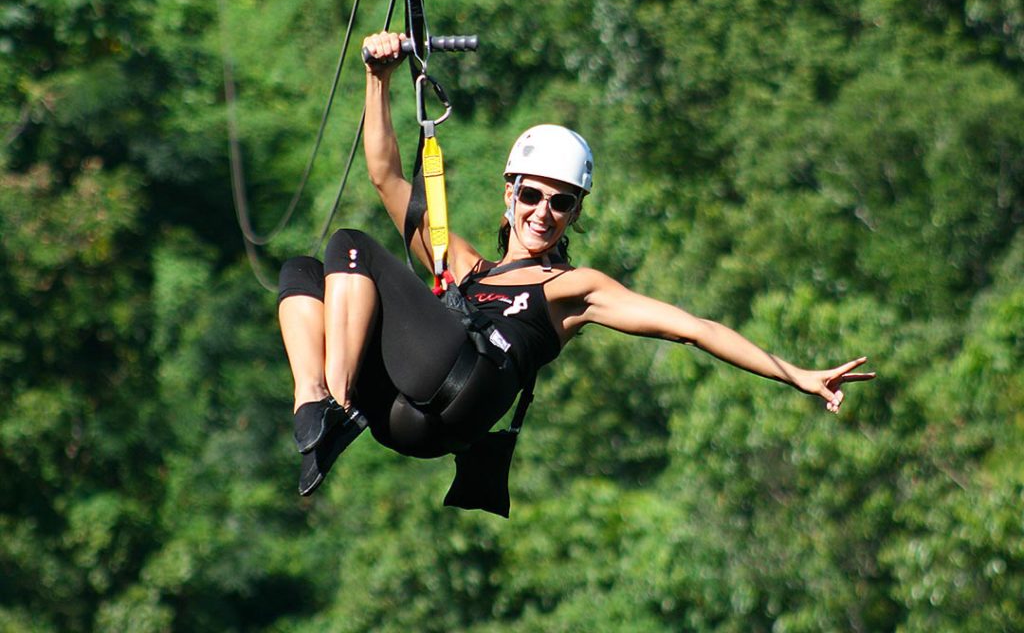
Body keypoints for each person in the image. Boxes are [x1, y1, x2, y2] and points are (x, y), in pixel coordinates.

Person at [276, 31, 875, 498]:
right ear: (509, 195)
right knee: (305, 272)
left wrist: (795, 373)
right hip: (402, 422)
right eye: (533, 196)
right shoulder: (461, 264)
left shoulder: (574, 288)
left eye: (561, 203)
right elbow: (385, 175)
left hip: (466, 385)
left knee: (352, 244)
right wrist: (377, 79)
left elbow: (693, 329)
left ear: (574, 213)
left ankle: (334, 401)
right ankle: (321, 411)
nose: (544, 213)